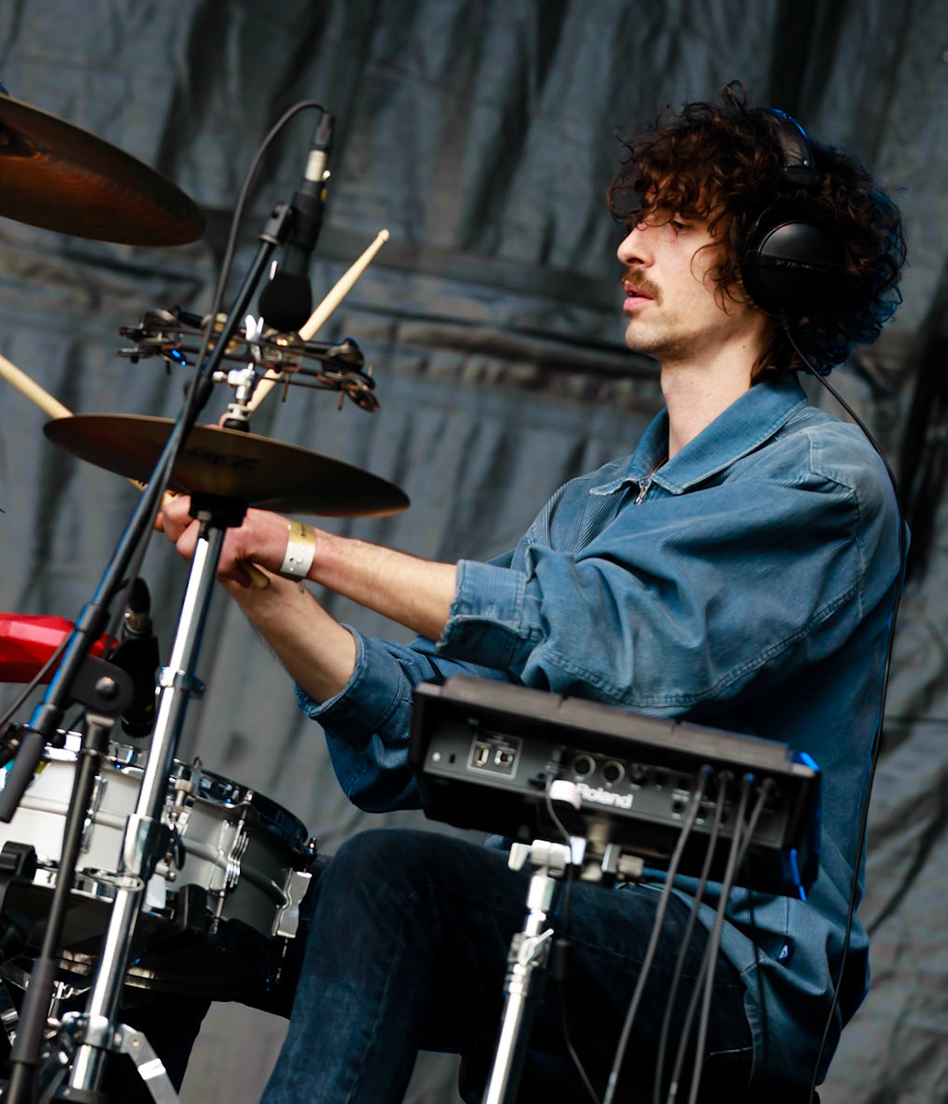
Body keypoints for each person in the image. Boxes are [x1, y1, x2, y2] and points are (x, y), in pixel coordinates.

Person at [156, 83, 905, 1101]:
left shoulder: (824, 480)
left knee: (393, 880)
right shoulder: (591, 507)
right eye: (638, 215)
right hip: (562, 919)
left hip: (729, 971)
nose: (628, 248)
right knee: (226, 910)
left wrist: (310, 549)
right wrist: (259, 578)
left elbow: (610, 640)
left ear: (782, 261)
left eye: (675, 221)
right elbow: (417, 731)